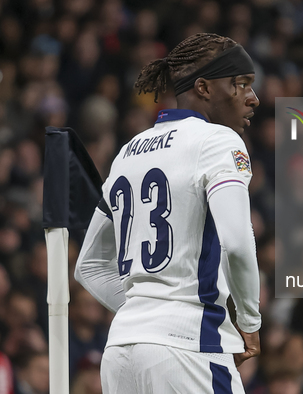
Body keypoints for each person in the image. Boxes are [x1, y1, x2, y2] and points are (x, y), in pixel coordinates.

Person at [74, 32, 261, 393]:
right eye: (240, 84)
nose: (252, 98)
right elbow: (237, 243)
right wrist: (250, 322)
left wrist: (144, 317)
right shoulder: (218, 142)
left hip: (121, 351)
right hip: (188, 348)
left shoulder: (129, 151)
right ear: (204, 88)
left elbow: (89, 266)